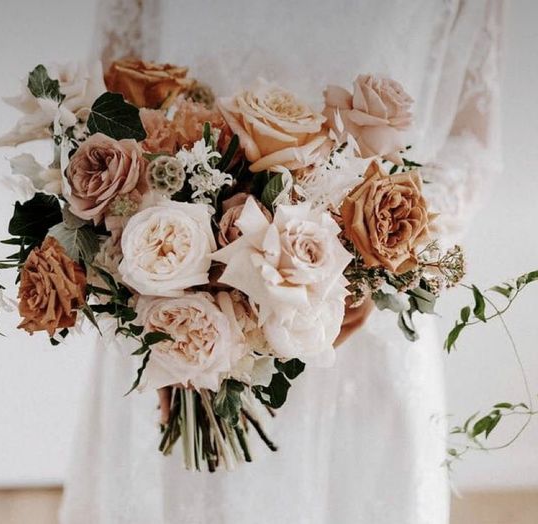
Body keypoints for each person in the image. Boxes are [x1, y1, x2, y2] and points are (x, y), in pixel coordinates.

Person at [61, 1, 504, 522]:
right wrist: (171, 288)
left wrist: (366, 260)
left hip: (357, 321)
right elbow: (104, 109)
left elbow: (470, 147)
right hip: (172, 300)